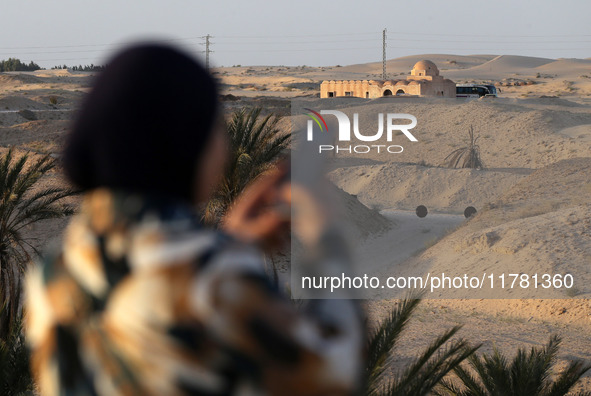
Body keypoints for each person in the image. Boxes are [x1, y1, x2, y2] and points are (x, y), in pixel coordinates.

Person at [25, 44, 363, 396]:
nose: (224, 145)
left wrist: (229, 243)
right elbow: (335, 374)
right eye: (215, 126)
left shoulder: (52, 270)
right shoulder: (216, 276)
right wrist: (325, 238)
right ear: (182, 140)